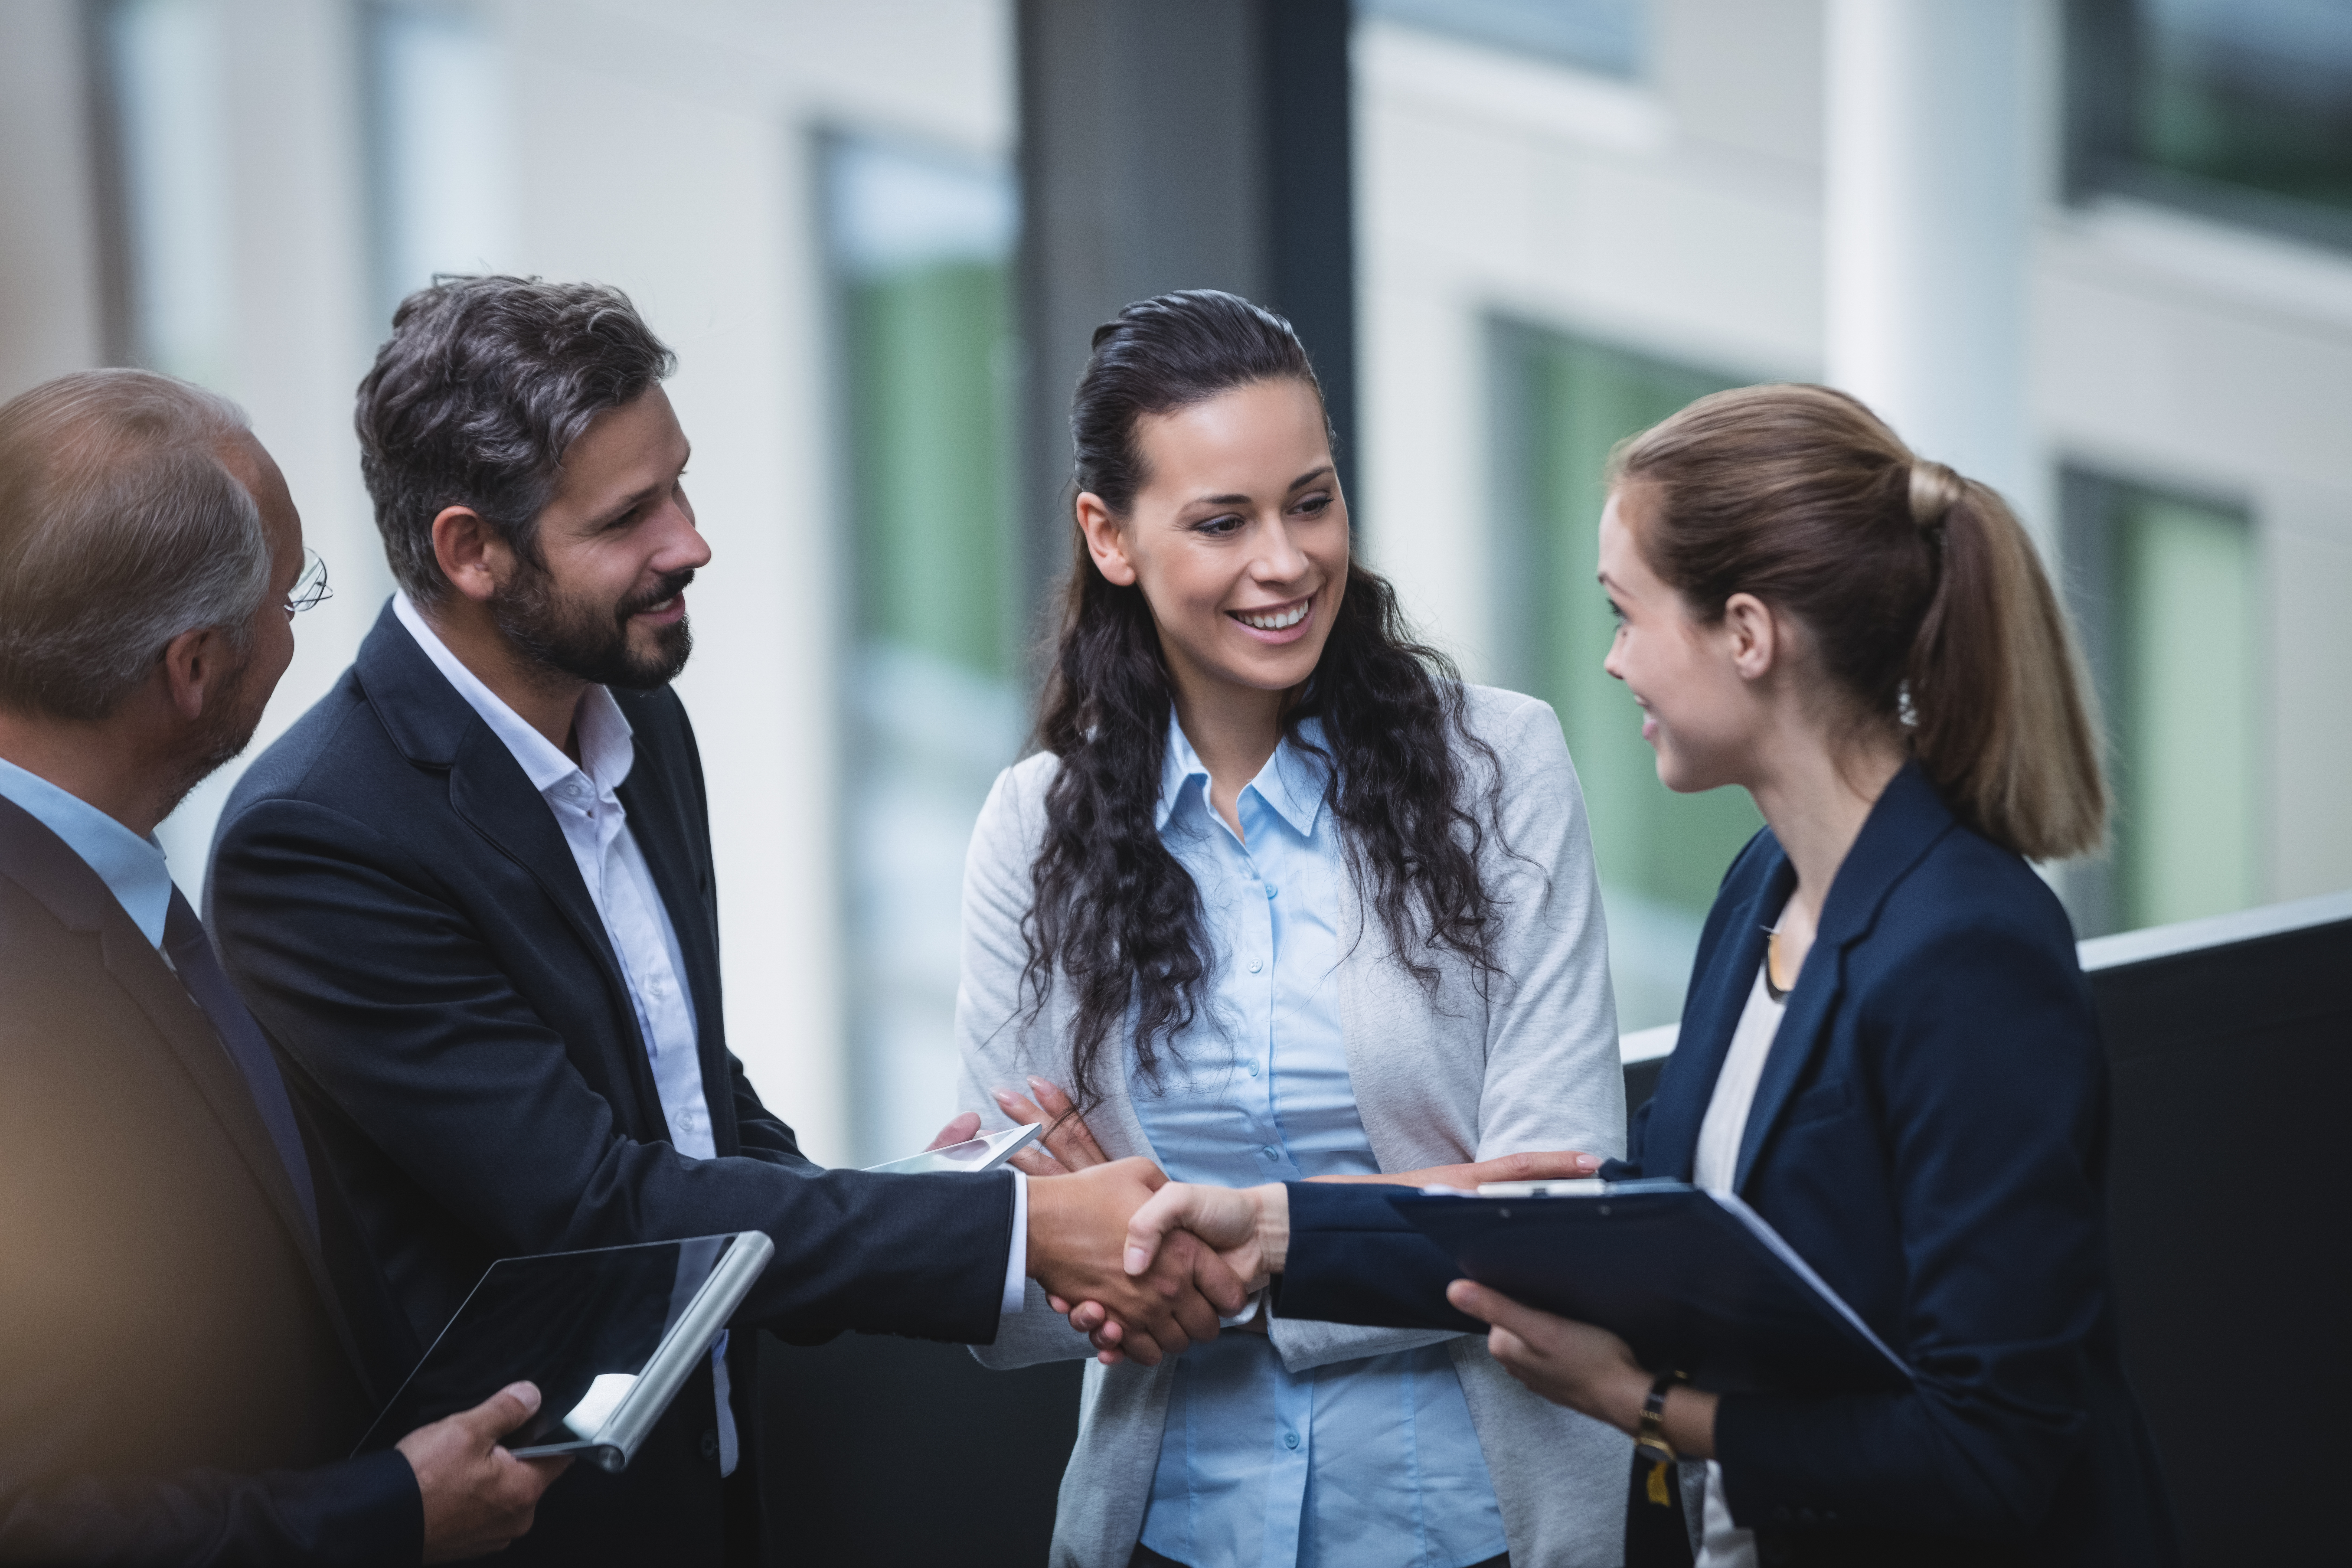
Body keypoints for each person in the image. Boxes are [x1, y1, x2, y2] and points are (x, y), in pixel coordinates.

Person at [204, 277, 1244, 1567]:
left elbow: (691, 1100)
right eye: (631, 515)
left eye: (679, 486)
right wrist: (1019, 1234)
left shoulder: (636, 712)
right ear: (472, 551)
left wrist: (930, 1192)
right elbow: (598, 1206)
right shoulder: (319, 838)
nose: (691, 542)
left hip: (719, 1483)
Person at [1115, 384, 2185, 1566]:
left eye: (1627, 613)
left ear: (1746, 633)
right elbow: (1642, 1231)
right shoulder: (1768, 881)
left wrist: (1644, 1406)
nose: (1615, 662)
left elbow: (1992, 1454)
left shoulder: (1970, 951)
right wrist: (1271, 1228)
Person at [954, 290, 1631, 1568]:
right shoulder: (1032, 830)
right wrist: (1413, 1211)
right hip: (1169, 1532)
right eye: (1223, 521)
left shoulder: (1503, 771)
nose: (1287, 560)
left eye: (1310, 501)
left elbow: (1553, 1218)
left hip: (1470, 1528)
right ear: (1111, 535)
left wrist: (1213, 1246)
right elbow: (1013, 1274)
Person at [0, 369, 563, 1563]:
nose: (299, 630)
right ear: (195, 666)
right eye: (290, 594)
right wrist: (389, 1512)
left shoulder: (101, 889)